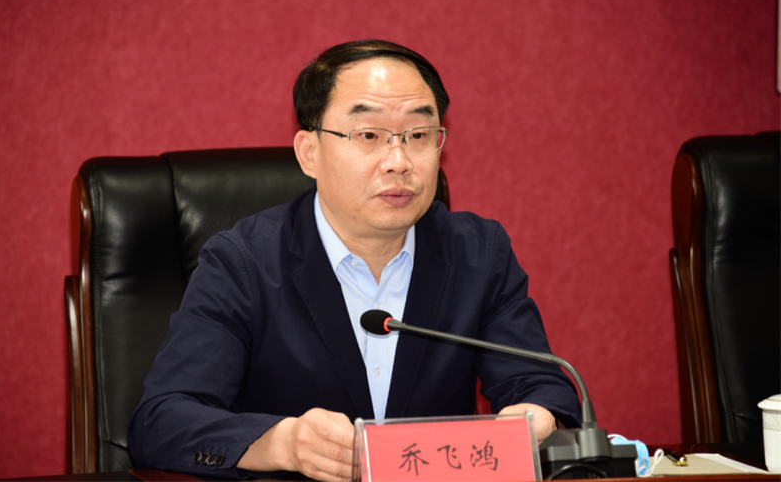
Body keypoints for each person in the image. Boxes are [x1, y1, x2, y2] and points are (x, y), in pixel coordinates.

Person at [128, 40, 582, 482]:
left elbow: (542, 387)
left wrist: (535, 419)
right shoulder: (243, 263)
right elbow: (162, 422)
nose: (399, 161)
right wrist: (281, 443)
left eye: (419, 135)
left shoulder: (479, 253)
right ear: (309, 153)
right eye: (368, 135)